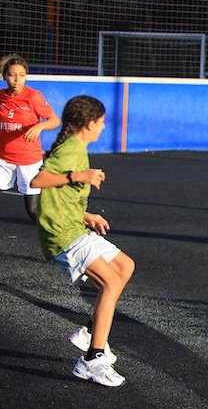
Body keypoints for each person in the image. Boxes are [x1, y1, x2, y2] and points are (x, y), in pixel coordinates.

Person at [31, 95, 135, 387]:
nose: (103, 127)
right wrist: (78, 175)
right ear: (89, 123)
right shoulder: (71, 150)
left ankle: (89, 332)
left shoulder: (78, 149)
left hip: (74, 225)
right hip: (61, 233)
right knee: (110, 282)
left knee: (125, 266)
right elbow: (38, 181)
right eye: (101, 122)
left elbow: (61, 197)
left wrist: (86, 215)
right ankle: (92, 358)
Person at [0, 54, 61, 221]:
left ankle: (62, 231)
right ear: (5, 76)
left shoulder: (33, 96)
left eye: (21, 75)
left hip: (28, 160)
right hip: (3, 159)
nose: (17, 80)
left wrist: (39, 126)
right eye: (12, 75)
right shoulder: (1, 96)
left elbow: (55, 120)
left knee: (33, 211)